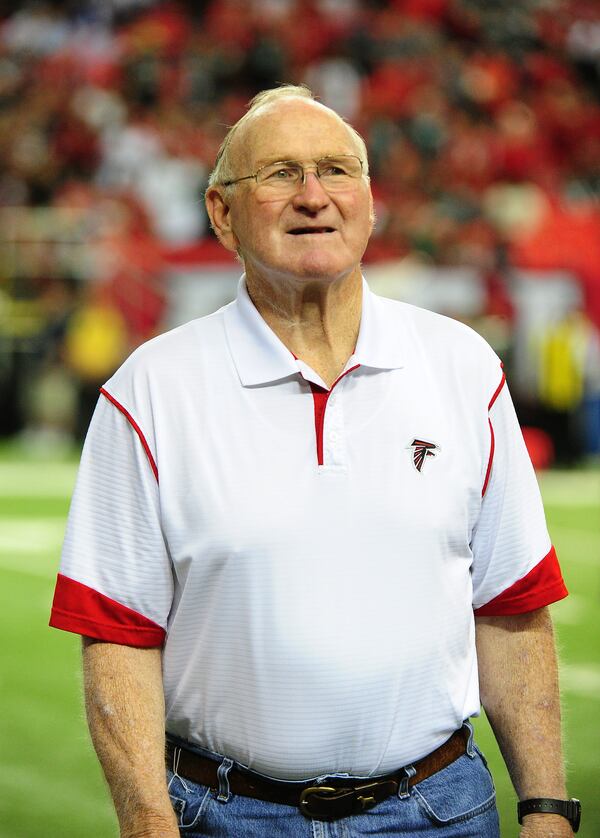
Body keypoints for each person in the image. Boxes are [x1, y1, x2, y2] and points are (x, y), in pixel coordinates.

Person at [49, 85, 580, 838]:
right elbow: (117, 633)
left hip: (441, 811)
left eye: (336, 170)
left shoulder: (461, 365)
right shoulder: (151, 389)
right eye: (279, 174)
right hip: (224, 818)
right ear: (221, 213)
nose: (313, 197)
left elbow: (513, 605)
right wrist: (146, 822)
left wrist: (548, 808)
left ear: (369, 199)